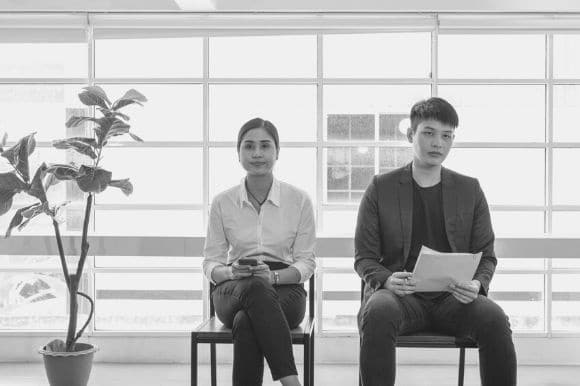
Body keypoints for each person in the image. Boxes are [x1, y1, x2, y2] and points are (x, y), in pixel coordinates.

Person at [355, 97, 517, 386]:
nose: (438, 143)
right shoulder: (381, 187)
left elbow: (487, 256)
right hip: (400, 297)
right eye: (428, 133)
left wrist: (477, 284)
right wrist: (388, 280)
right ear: (410, 135)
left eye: (446, 136)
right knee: (378, 311)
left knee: (494, 317)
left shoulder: (470, 189)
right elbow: (364, 257)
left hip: (455, 298)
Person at [202, 117, 316, 386]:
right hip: (233, 286)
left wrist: (274, 278)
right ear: (238, 153)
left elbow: (306, 262)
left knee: (246, 321)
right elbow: (210, 263)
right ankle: (291, 382)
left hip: (284, 287)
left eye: (265, 146)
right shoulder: (222, 202)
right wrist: (230, 271)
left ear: (277, 152)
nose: (257, 153)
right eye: (249, 146)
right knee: (252, 289)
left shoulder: (299, 200)